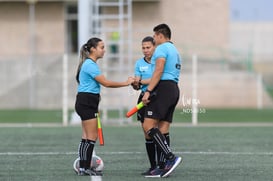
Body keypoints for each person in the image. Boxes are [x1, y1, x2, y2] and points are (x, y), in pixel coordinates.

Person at [75, 37, 134, 176]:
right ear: (93, 49)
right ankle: (85, 167)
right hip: (87, 101)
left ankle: (83, 166)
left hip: (87, 101)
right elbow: (106, 83)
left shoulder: (90, 64)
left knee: (86, 136)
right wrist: (126, 83)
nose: (104, 50)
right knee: (91, 136)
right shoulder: (90, 64)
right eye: (101, 47)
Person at [141, 23, 182, 178]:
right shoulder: (175, 50)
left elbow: (158, 70)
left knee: (148, 125)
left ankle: (170, 158)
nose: (153, 39)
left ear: (159, 35)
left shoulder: (162, 48)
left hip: (163, 88)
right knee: (163, 129)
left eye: (154, 36)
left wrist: (148, 91)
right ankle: (163, 167)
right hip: (174, 89)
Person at [131, 36, 160, 176]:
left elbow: (156, 79)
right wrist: (135, 83)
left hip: (157, 97)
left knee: (157, 130)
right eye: (143, 48)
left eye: (148, 47)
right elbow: (137, 85)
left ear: (154, 47)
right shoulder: (138, 63)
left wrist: (141, 81)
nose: (145, 50)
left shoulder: (159, 61)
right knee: (146, 133)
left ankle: (163, 164)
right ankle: (153, 166)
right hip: (143, 98)